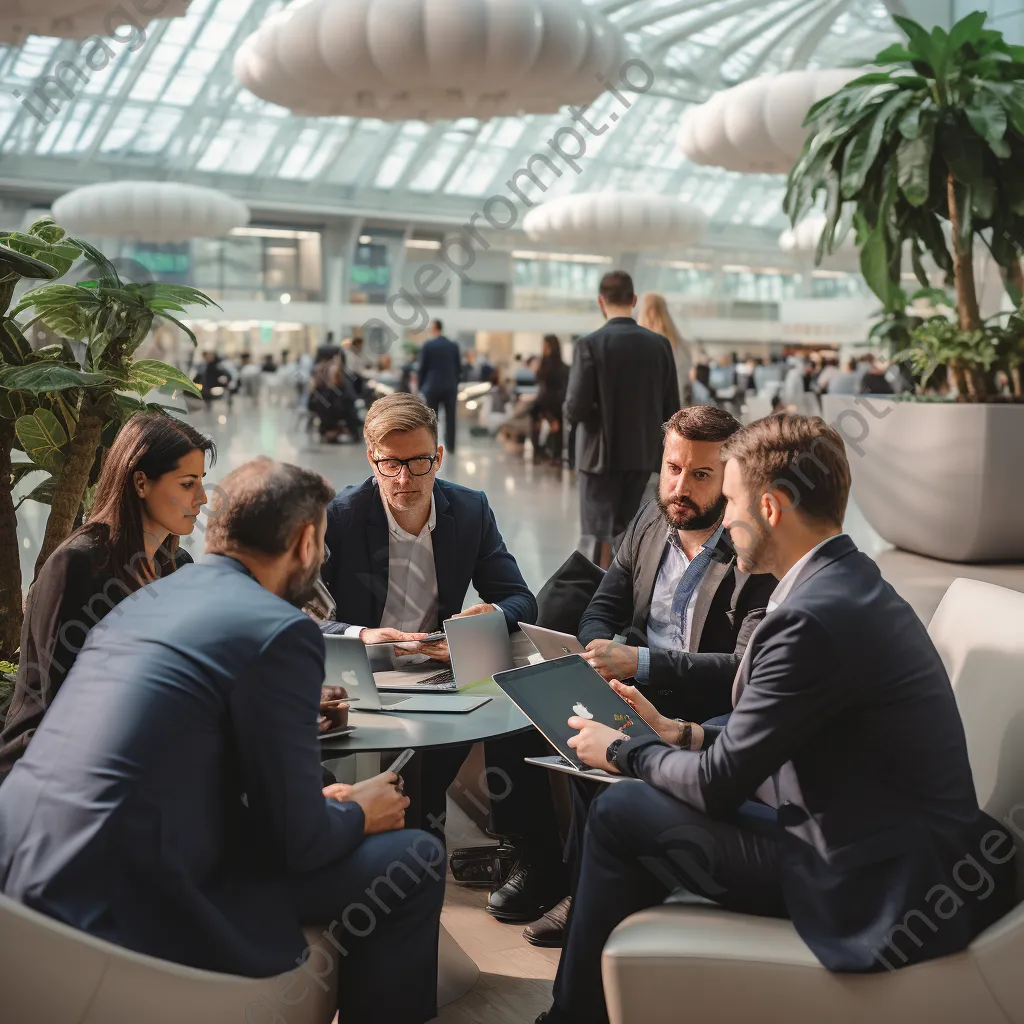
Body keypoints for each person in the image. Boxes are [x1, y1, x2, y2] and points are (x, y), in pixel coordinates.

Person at [536, 415, 1017, 1024]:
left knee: (622, 809)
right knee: (640, 800)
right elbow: (785, 738)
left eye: (731, 499)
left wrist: (624, 750)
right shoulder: (847, 581)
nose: (726, 519)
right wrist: (674, 733)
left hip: (869, 881)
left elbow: (717, 784)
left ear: (769, 506)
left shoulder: (808, 619)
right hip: (880, 838)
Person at [0, 457, 444, 1024]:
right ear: (306, 542)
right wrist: (360, 814)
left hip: (22, 880)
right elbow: (300, 845)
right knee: (415, 858)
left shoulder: (143, 601)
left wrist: (316, 807)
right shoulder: (280, 629)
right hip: (128, 908)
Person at [522, 406, 775, 950]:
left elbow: (742, 667)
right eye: (672, 468)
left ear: (730, 480)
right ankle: (546, 869)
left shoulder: (753, 550)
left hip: (701, 703)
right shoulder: (651, 519)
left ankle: (586, 893)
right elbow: (601, 606)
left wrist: (640, 663)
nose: (680, 487)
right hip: (633, 681)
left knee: (608, 736)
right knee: (528, 715)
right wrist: (597, 646)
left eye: (701, 475)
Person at [318, 393, 567, 922]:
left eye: (419, 463)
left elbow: (522, 598)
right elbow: (299, 612)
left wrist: (487, 617)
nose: (405, 479)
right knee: (421, 780)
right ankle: (413, 883)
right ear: (371, 459)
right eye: (390, 464)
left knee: (522, 702)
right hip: (366, 673)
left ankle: (533, 856)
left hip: (439, 666)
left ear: (440, 455)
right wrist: (363, 635)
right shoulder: (340, 517)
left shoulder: (469, 509)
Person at [0, 414, 214, 782]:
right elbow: (57, 698)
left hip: (136, 752)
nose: (202, 499)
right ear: (141, 483)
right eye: (187, 483)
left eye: (202, 483)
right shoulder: (79, 565)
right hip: (52, 767)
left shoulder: (176, 566)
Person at [565, 271, 680, 570]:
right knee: (632, 535)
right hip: (643, 457)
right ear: (633, 300)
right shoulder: (659, 346)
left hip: (597, 459)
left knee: (595, 537)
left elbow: (575, 409)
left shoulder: (588, 345)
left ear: (601, 302)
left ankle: (592, 603)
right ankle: (627, 601)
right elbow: (673, 409)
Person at [637, 293, 695, 407]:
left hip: (643, 408)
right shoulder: (679, 344)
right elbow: (684, 379)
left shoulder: (635, 343)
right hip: (673, 407)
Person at [418, 319, 461, 453]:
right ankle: (451, 446)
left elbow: (422, 368)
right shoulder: (453, 346)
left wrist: (421, 386)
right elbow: (459, 368)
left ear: (434, 328)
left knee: (432, 419)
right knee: (451, 418)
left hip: (432, 387)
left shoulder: (428, 345)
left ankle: (432, 446)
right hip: (450, 386)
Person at [531, 335, 570, 464]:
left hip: (554, 402)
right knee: (540, 423)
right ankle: (543, 452)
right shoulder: (544, 365)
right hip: (545, 403)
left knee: (555, 427)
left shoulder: (558, 367)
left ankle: (552, 454)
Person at [309, 352, 361, 443]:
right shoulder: (323, 387)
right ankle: (337, 430)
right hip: (330, 419)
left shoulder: (344, 385)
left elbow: (349, 402)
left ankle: (340, 430)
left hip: (342, 416)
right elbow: (313, 405)